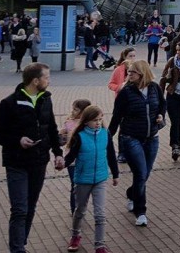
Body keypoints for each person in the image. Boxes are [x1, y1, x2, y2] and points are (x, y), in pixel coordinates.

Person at [0, 62, 66, 253]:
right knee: (19, 209)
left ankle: (20, 243)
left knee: (30, 206)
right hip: (16, 162)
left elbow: (51, 128)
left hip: (39, 162)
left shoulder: (46, 99)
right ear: (35, 80)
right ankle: (17, 250)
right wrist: (18, 140)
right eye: (47, 77)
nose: (49, 81)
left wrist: (58, 153)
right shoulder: (9, 103)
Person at [108, 59, 166, 227]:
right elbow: (116, 116)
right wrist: (108, 135)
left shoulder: (154, 88)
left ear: (142, 73)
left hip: (152, 138)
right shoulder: (126, 92)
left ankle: (131, 193)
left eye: (132, 72)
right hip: (131, 138)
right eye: (129, 71)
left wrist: (161, 115)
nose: (128, 74)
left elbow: (162, 104)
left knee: (145, 174)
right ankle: (140, 211)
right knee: (140, 173)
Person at [64, 105, 119, 253]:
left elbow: (111, 155)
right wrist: (62, 163)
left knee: (100, 214)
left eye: (100, 119)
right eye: (95, 120)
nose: (98, 123)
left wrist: (115, 174)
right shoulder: (79, 136)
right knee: (80, 210)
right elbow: (71, 156)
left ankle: (99, 245)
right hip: (83, 179)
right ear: (86, 121)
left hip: (100, 179)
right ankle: (75, 235)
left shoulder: (105, 134)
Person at [59, 99, 92, 215]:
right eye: (73, 108)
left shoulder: (89, 124)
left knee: (84, 185)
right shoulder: (69, 122)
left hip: (85, 158)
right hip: (71, 159)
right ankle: (75, 210)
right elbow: (61, 138)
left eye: (76, 109)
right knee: (75, 184)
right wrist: (61, 136)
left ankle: (81, 206)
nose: (73, 111)